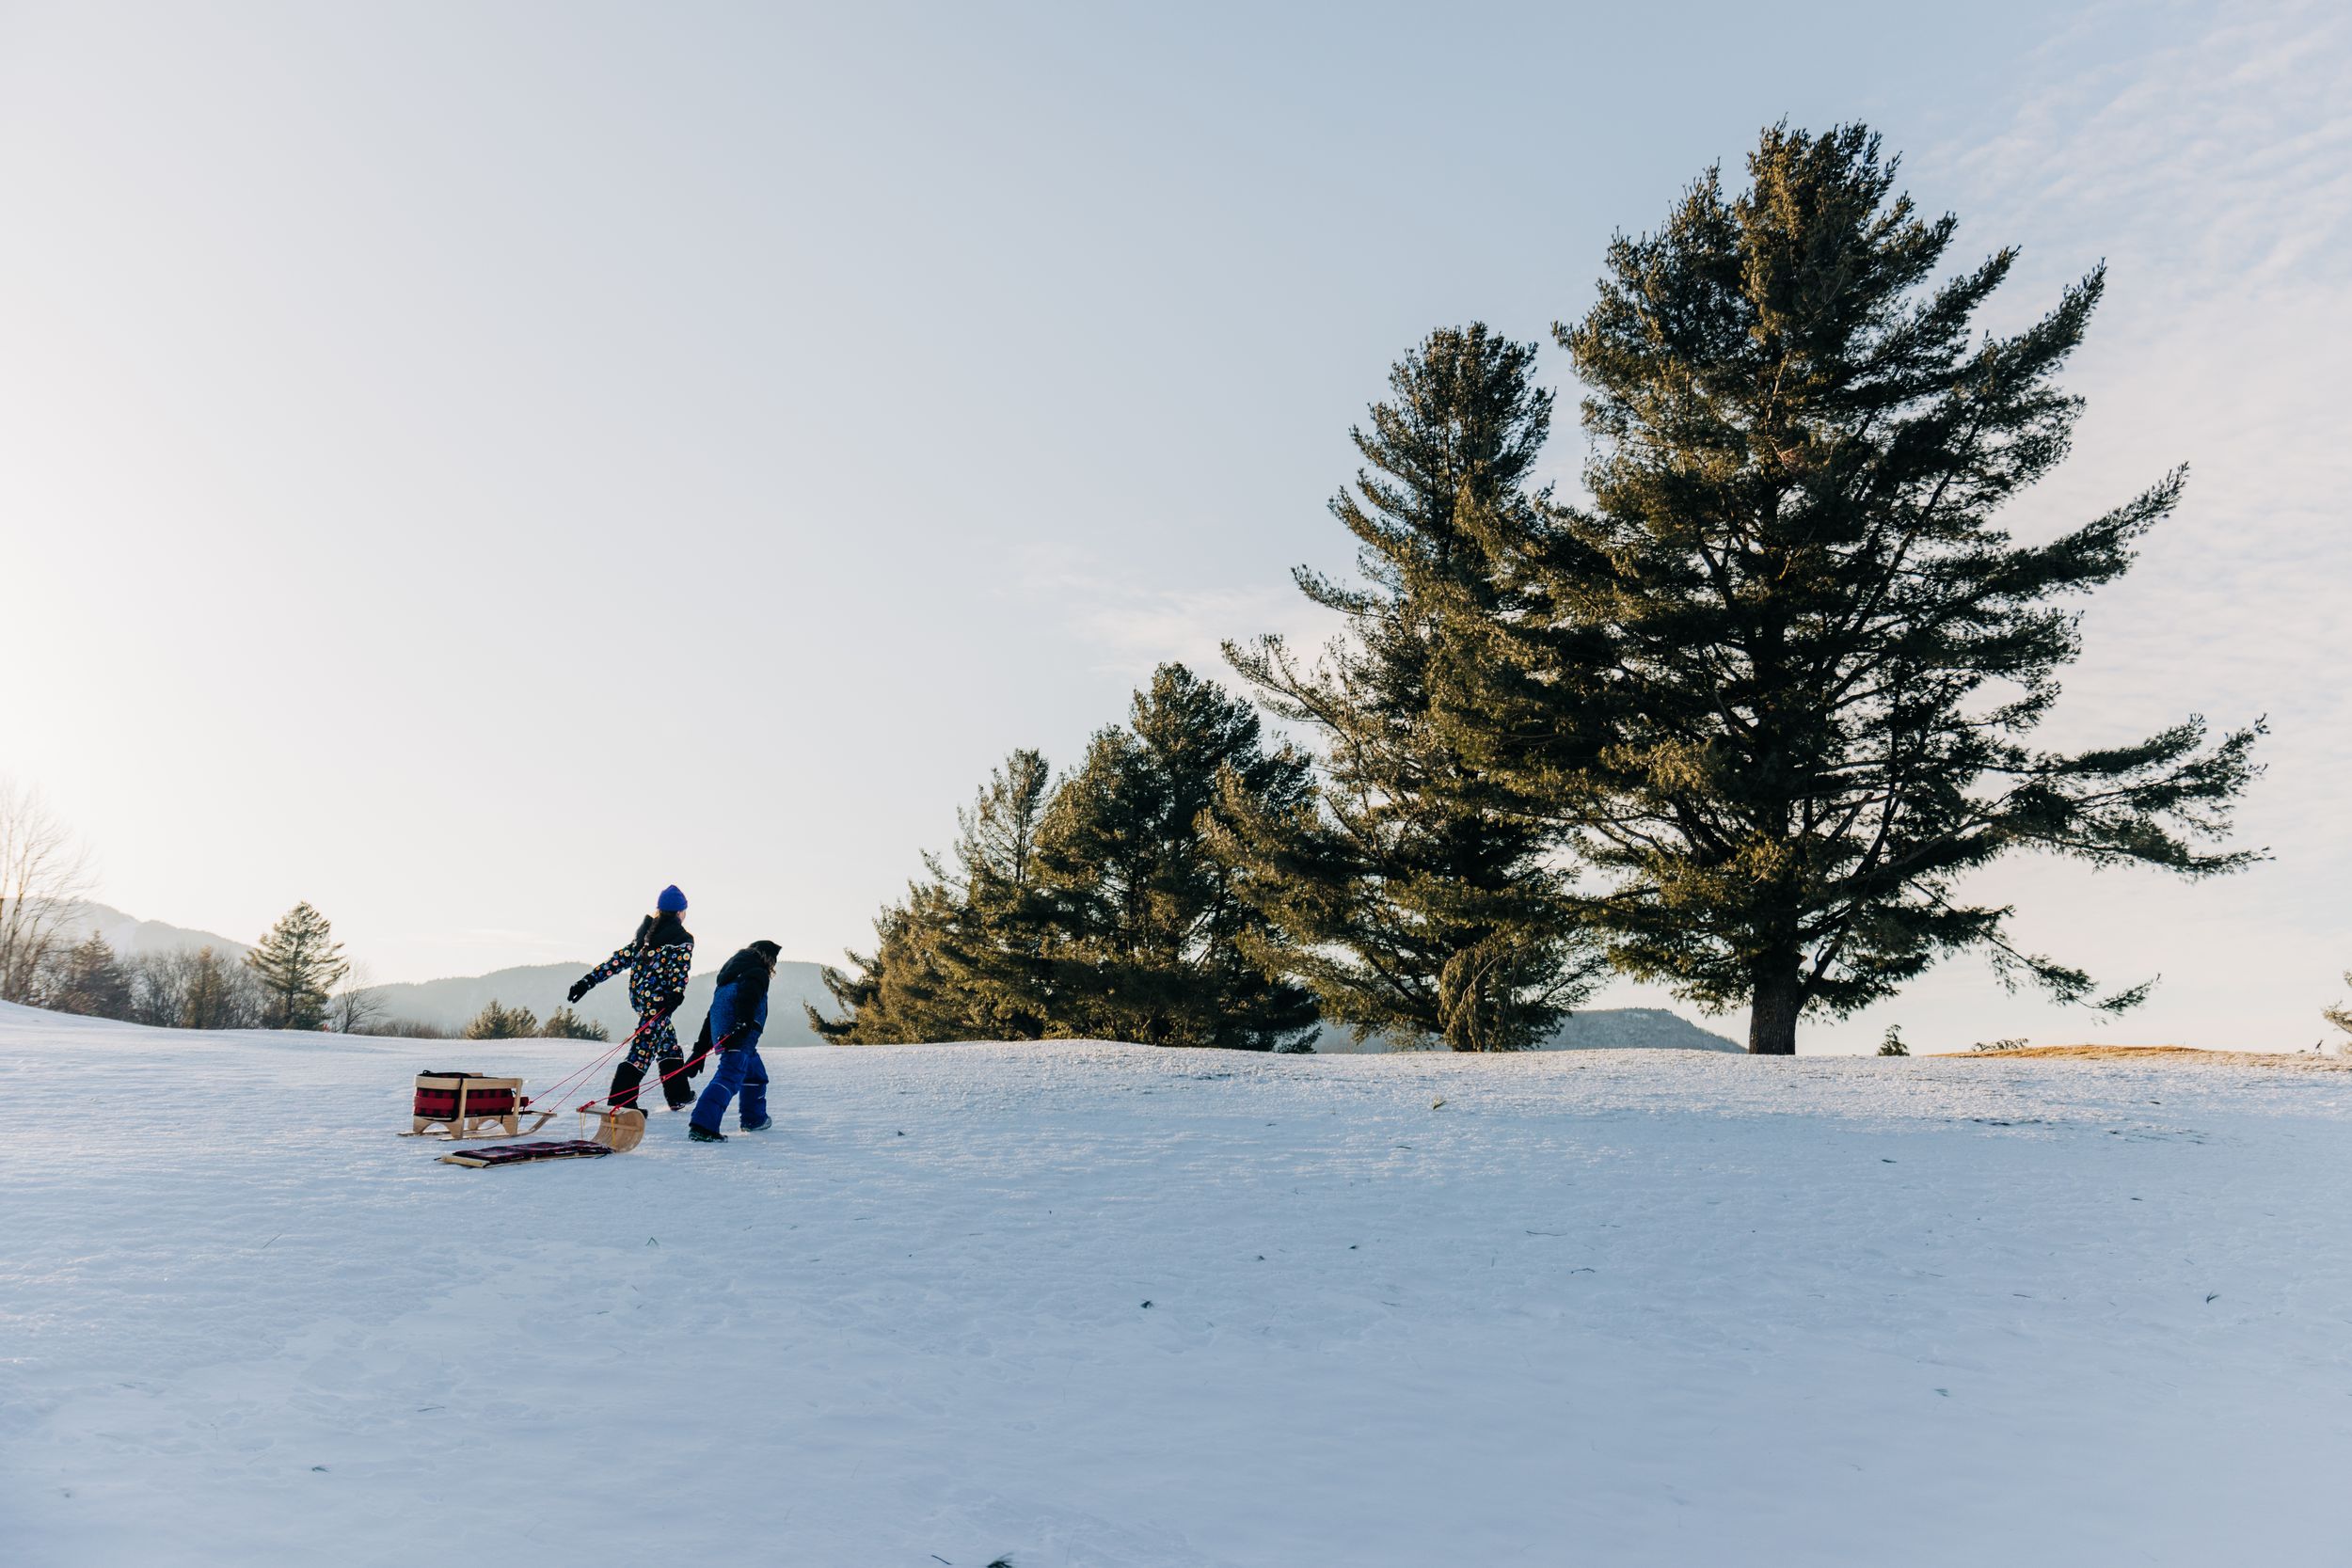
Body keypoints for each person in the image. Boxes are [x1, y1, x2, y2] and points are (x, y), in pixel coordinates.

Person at [569, 885, 695, 1114]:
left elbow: (617, 961)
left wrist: (587, 982)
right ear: (680, 913)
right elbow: (679, 972)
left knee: (668, 1044)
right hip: (660, 1003)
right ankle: (622, 1102)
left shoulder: (645, 937)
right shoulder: (682, 939)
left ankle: (679, 1094)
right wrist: (675, 995)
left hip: (641, 1000)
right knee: (643, 1050)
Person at [686, 940, 782, 1143]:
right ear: (767, 958)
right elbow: (747, 1000)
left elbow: (711, 1015)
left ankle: (754, 1119)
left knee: (755, 1074)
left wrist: (699, 1052)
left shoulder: (728, 978)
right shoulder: (757, 972)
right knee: (729, 1077)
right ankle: (703, 1125)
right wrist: (741, 1028)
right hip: (739, 1037)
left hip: (734, 1036)